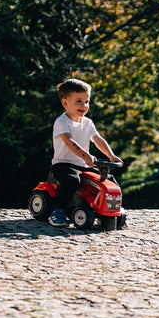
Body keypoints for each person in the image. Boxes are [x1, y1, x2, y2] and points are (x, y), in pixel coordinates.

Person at [48, 77, 122, 227]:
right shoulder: (62, 122)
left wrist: (111, 155)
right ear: (65, 103)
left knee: (108, 179)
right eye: (79, 101)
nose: (84, 105)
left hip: (84, 164)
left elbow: (98, 139)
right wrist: (86, 156)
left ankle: (109, 209)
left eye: (87, 101)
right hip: (64, 164)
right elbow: (70, 142)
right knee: (72, 181)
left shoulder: (88, 122)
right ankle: (58, 211)